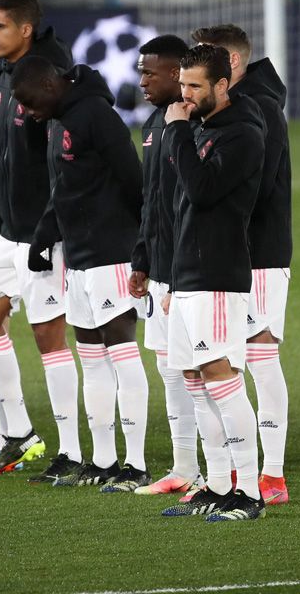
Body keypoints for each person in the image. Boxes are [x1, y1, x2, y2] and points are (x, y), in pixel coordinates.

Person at [11, 56, 149, 492]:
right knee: (91, 358)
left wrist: (141, 246)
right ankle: (104, 460)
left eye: (27, 99)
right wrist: (45, 233)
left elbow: (134, 182)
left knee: (121, 352)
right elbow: (64, 187)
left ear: (50, 84)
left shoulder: (97, 117)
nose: (26, 110)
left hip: (111, 254)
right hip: (78, 257)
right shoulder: (56, 121)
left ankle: (137, 463)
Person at [154, 44, 267, 521]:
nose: (184, 94)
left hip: (217, 274)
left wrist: (176, 130)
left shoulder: (242, 135)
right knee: (193, 377)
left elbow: (201, 191)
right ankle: (218, 484)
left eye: (195, 86)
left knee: (220, 374)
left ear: (222, 85)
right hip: (187, 274)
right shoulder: (201, 129)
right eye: (182, 84)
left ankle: (250, 492)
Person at [0, 0, 72, 480]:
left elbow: (60, 161)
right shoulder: (5, 79)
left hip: (41, 233)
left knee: (50, 339)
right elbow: (7, 157)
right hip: (10, 230)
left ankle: (70, 450)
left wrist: (49, 226)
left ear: (25, 30)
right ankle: (19, 434)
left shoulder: (48, 76)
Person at [190, 24, 293, 505]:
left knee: (259, 354)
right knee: (223, 361)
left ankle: (271, 474)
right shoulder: (224, 110)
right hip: (228, 256)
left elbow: (257, 185)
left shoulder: (259, 108)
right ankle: (231, 471)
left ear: (230, 65)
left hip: (260, 252)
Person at [127, 34, 204, 496]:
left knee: (203, 372)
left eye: (148, 72)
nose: (141, 80)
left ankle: (225, 471)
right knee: (169, 370)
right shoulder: (155, 123)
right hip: (158, 270)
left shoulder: (194, 125)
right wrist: (142, 258)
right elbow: (151, 200)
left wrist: (177, 274)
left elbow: (194, 204)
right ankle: (183, 466)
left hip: (188, 273)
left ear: (177, 73)